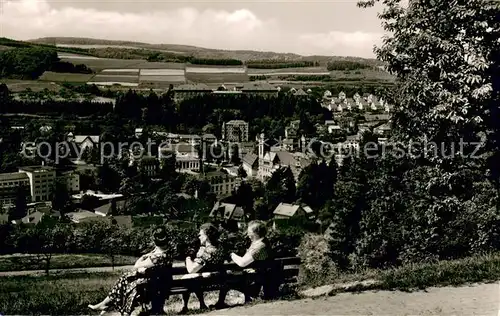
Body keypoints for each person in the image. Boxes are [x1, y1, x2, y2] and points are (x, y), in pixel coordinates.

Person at [88, 226, 173, 316]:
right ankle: (104, 305)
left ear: (154, 241)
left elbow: (136, 265)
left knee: (125, 281)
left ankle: (106, 305)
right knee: (125, 279)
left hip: (152, 285)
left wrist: (143, 256)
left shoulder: (155, 257)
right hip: (163, 283)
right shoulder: (168, 252)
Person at [215, 220, 274, 308]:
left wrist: (231, 254)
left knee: (227, 280)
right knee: (229, 277)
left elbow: (242, 263)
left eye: (249, 232)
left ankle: (220, 304)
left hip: (257, 278)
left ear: (256, 233)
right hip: (260, 275)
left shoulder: (259, 246)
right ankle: (224, 302)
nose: (247, 234)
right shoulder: (261, 242)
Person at [179, 223, 225, 314]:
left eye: (200, 234)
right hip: (219, 279)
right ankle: (212, 302)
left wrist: (188, 258)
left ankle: (187, 306)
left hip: (206, 281)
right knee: (196, 277)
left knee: (188, 277)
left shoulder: (207, 251)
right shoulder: (220, 248)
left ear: (207, 236)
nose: (198, 236)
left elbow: (191, 270)